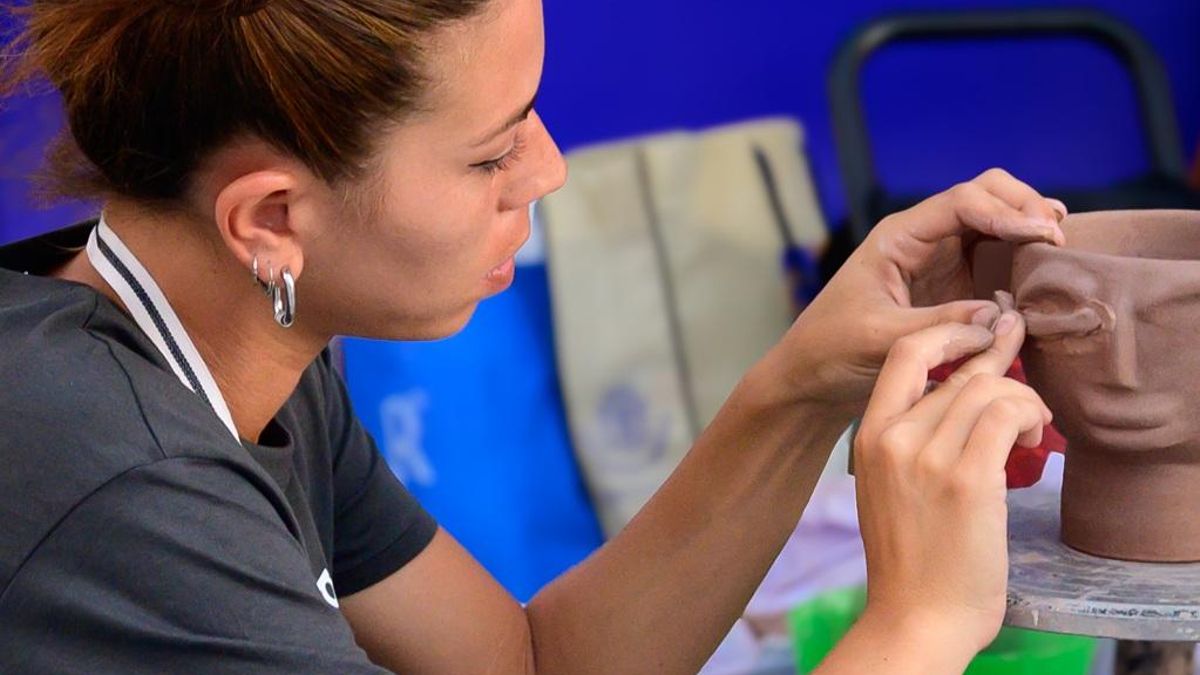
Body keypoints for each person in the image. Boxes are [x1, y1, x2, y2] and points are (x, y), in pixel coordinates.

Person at [0, 0, 1066, 673]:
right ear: (273, 221)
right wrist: (918, 627)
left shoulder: (241, 352)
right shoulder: (127, 490)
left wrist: (803, 385)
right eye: (489, 156)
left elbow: (531, 663)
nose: (548, 171)